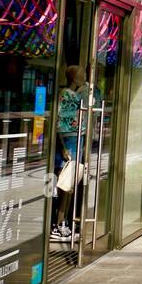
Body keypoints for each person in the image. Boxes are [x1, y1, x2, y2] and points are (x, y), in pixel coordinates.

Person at [52, 64, 88, 243]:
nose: (85, 77)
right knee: (66, 184)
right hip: (70, 140)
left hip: (76, 138)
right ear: (73, 77)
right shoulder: (67, 95)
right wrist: (63, 147)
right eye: (82, 75)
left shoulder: (74, 94)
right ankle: (59, 223)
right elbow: (59, 121)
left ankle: (62, 222)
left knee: (70, 184)